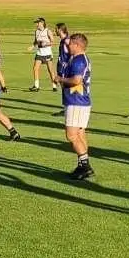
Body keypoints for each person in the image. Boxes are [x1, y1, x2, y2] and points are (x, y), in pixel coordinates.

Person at [57, 33, 94, 180]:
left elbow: (77, 80)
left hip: (76, 101)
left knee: (71, 135)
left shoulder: (79, 60)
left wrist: (60, 79)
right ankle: (83, 164)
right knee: (79, 134)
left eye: (71, 44)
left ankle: (85, 166)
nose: (68, 45)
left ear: (77, 45)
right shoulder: (79, 59)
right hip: (79, 101)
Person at [29, 18, 56, 92]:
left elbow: (53, 42)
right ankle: (36, 86)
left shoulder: (48, 31)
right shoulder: (36, 31)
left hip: (47, 53)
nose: (36, 24)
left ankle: (54, 85)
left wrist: (46, 43)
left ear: (42, 23)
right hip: (39, 53)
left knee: (50, 70)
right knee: (35, 68)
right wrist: (32, 46)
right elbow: (35, 42)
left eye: (37, 23)